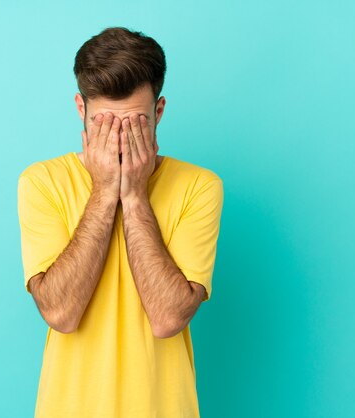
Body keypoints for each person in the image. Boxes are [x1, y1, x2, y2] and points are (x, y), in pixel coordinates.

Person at [17, 26, 224, 418]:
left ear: (158, 111)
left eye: (134, 124)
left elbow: (167, 318)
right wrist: (104, 190)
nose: (119, 138)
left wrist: (133, 195)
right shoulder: (41, 183)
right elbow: (60, 314)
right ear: (81, 109)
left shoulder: (200, 186)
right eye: (104, 123)